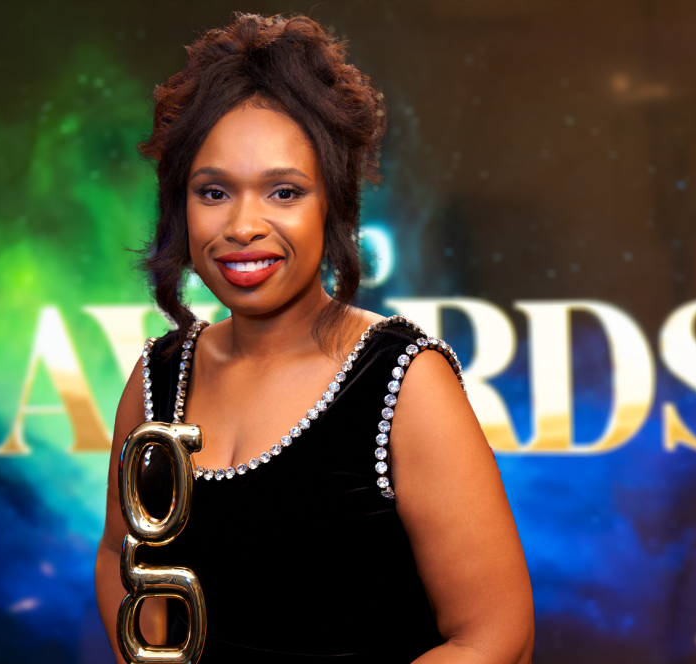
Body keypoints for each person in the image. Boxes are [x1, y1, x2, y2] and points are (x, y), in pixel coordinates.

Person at [95, 13, 533, 664]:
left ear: (333, 204)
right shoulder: (156, 378)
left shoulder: (403, 380)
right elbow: (119, 555)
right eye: (213, 192)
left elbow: (494, 636)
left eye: (283, 191)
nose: (243, 225)